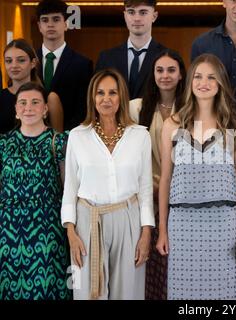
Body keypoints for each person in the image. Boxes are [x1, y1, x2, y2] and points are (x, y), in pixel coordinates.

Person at [156, 54, 236, 300]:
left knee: (224, 293)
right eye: (198, 76)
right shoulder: (172, 125)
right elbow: (165, 178)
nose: (203, 82)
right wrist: (162, 229)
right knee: (184, 293)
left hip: (224, 223)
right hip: (183, 223)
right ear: (190, 82)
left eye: (211, 77)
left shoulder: (235, 124)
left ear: (220, 84)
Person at [61, 69, 154, 300]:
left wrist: (146, 233)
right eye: (100, 93)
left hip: (128, 219)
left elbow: (145, 190)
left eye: (112, 92)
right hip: (87, 221)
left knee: (128, 292)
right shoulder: (77, 135)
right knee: (84, 291)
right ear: (92, 98)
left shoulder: (140, 135)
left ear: (121, 97)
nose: (106, 98)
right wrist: (71, 233)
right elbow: (70, 187)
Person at [0, 82, 70, 300]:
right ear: (16, 109)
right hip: (7, 228)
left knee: (47, 284)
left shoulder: (59, 141)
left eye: (35, 102)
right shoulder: (3, 143)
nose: (28, 107)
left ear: (45, 109)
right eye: (22, 103)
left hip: (47, 226)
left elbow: (68, 188)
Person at [129, 48, 186, 300]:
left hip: (182, 197)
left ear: (181, 74)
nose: (165, 75)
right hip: (147, 198)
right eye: (159, 70)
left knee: (177, 262)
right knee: (152, 263)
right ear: (152, 74)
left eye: (171, 70)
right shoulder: (136, 108)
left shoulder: (191, 108)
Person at [36, 0, 93, 130]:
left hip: (69, 137)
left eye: (56, 19)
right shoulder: (29, 60)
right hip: (32, 138)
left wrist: (65, 138)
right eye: (45, 20)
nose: (50, 24)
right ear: (39, 26)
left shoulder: (83, 64)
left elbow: (84, 110)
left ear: (66, 24)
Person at [96, 0, 165, 100]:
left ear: (154, 16)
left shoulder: (167, 57)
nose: (136, 18)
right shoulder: (106, 58)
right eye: (131, 12)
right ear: (125, 16)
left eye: (143, 12)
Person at [1, 39, 63, 134]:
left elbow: (58, 139)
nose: (14, 65)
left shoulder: (50, 98)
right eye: (8, 61)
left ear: (33, 63)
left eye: (21, 60)